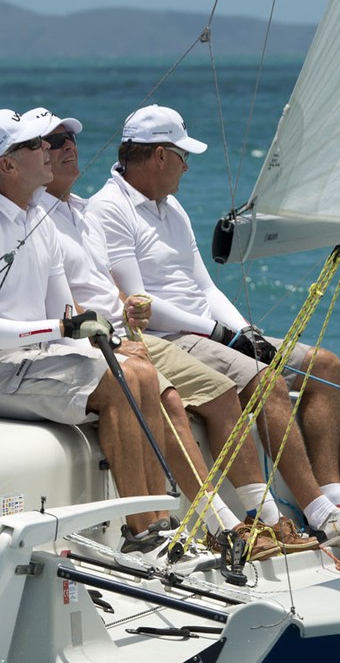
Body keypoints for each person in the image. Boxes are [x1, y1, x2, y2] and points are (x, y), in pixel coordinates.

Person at [85, 104, 340, 546]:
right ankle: (319, 515)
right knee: (267, 382)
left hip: (210, 331)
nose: (188, 166)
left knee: (325, 366)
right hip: (171, 338)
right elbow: (139, 303)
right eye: (183, 156)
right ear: (159, 157)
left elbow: (205, 286)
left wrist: (246, 332)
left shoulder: (171, 208)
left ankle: (335, 498)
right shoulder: (109, 209)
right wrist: (220, 335)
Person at [0, 108, 210, 571]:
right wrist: (61, 331)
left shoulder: (36, 217)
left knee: (138, 372)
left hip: (37, 357)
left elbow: (64, 309)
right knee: (119, 385)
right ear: (8, 166)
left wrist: (100, 338)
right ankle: (143, 534)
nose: (48, 151)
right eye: (35, 144)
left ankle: (161, 524)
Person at [27, 106, 317, 560]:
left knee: (225, 393)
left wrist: (133, 309)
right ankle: (220, 527)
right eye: (54, 143)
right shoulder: (47, 217)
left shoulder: (81, 211)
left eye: (71, 140)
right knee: (175, 400)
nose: (68, 149)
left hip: (130, 333)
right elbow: (61, 303)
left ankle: (263, 518)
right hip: (100, 342)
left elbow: (116, 288)